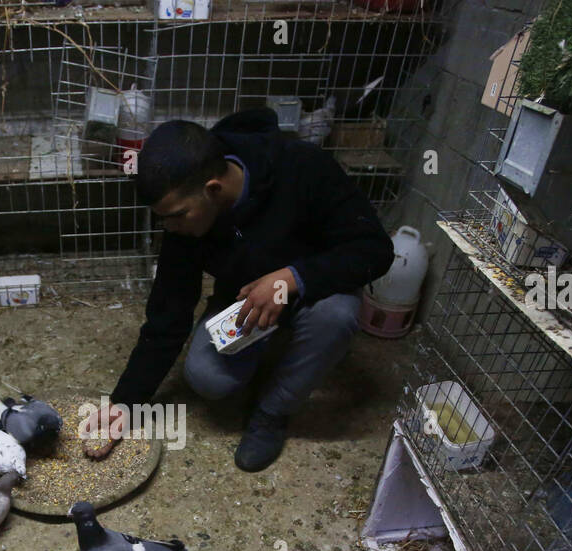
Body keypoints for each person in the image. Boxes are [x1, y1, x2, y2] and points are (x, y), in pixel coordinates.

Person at [80, 108, 394, 472]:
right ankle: (266, 352)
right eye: (162, 218)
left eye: (177, 215)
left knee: (338, 316)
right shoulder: (182, 221)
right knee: (206, 378)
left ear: (214, 189)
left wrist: (290, 279)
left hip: (314, 291)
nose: (169, 226)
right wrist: (126, 403)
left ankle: (273, 410)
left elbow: (375, 250)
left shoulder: (304, 167)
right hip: (243, 301)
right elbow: (168, 313)